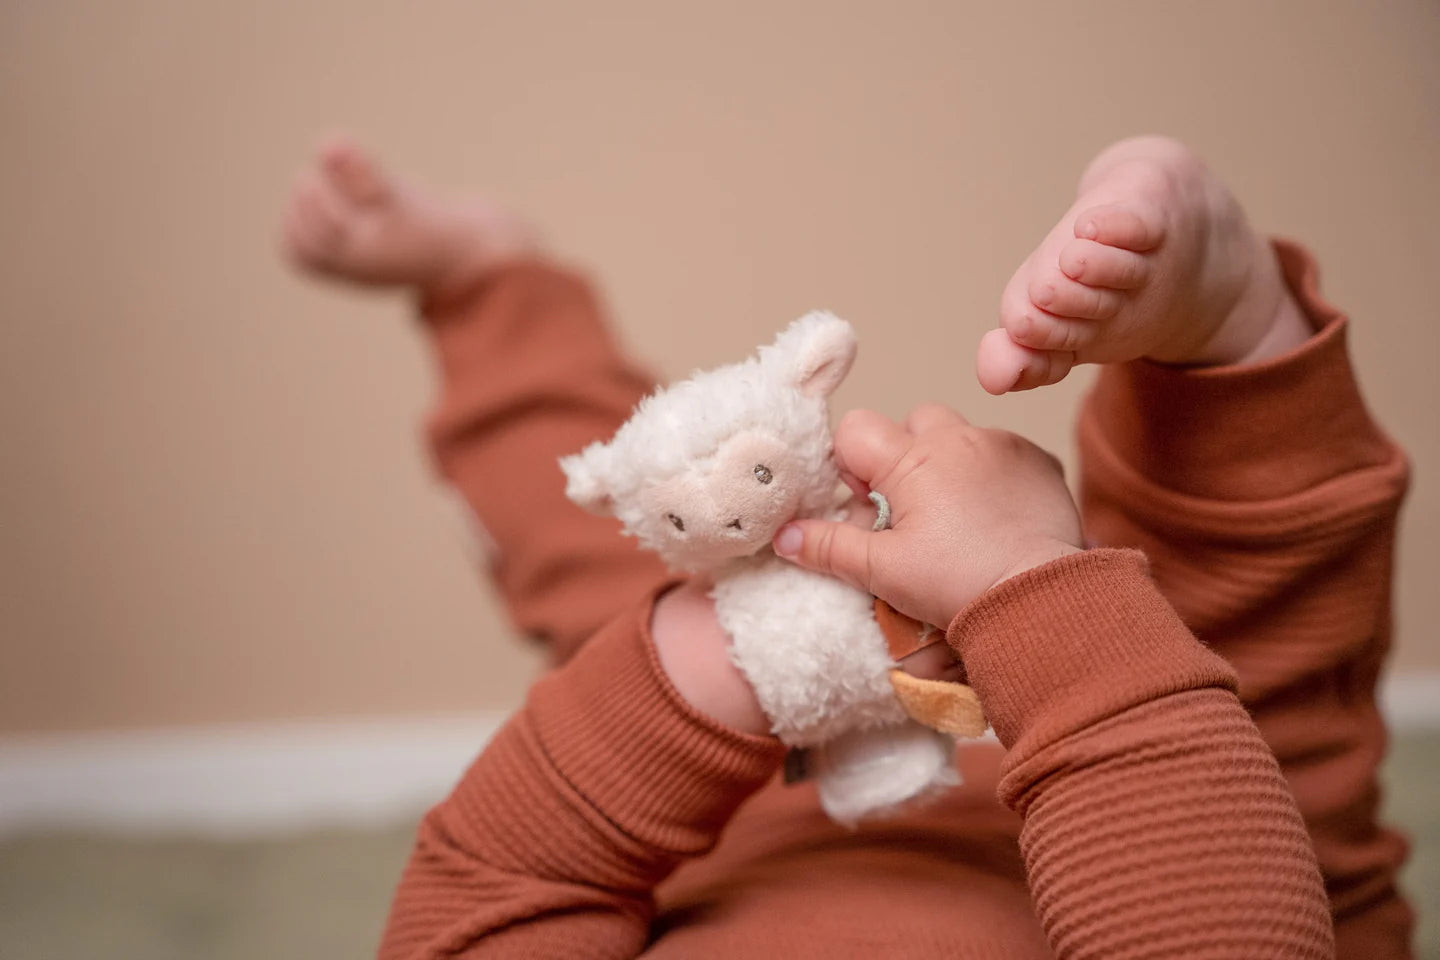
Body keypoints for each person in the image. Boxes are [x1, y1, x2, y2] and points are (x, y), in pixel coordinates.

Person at [281, 135, 1413, 958]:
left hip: (730, 809)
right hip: (1192, 845)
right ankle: (1228, 351)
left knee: (617, 535)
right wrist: (1036, 598)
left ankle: (491, 285)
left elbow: (497, 895)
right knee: (1251, 686)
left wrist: (693, 676)